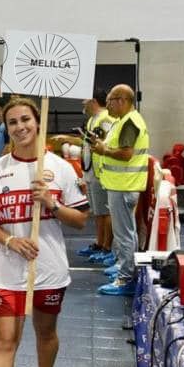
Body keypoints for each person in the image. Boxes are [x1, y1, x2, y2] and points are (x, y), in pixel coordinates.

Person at [0, 97, 88, 367]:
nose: (20, 126)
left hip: (48, 269)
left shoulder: (60, 168)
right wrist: (9, 240)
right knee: (5, 339)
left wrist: (52, 203)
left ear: (38, 122)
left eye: (25, 119)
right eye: (12, 122)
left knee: (45, 332)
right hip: (7, 270)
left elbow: (80, 219)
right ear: (6, 128)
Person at [91, 84, 149, 296]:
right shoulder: (122, 121)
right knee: (126, 232)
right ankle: (124, 267)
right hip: (122, 185)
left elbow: (126, 154)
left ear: (122, 100)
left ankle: (125, 278)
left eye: (110, 101)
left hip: (124, 186)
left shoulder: (130, 122)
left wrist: (103, 149)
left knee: (124, 234)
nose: (107, 105)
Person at [54, 91, 116, 262]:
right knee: (98, 212)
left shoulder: (106, 119)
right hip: (91, 171)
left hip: (102, 172)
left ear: (94, 101)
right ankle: (99, 243)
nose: (82, 102)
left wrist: (70, 139)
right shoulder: (92, 120)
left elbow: (98, 143)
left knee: (105, 212)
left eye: (85, 99)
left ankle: (107, 247)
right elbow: (87, 141)